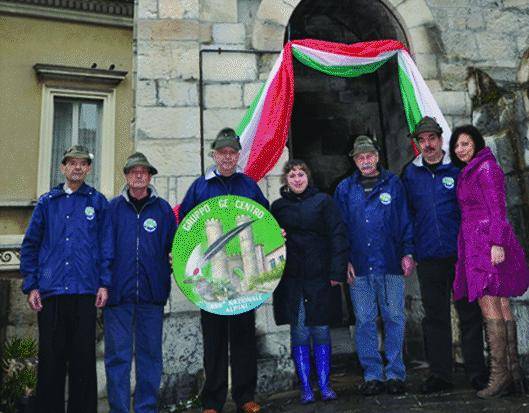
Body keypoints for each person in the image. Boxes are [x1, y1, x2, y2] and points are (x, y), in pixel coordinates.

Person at [179, 128, 268, 413]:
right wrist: (181, 258)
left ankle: (246, 397)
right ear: (214, 155)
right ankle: (213, 400)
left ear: (238, 155)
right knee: (214, 340)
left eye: (232, 153)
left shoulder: (249, 185)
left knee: (244, 338)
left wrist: (275, 233)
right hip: (210, 277)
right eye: (222, 153)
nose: (227, 158)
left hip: (244, 278)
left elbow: (265, 222)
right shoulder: (200, 187)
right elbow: (186, 228)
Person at [20, 145, 112, 413]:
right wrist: (32, 285)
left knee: (83, 362)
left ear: (89, 169)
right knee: (51, 361)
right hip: (52, 293)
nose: (77, 167)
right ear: (63, 167)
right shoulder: (48, 202)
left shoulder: (97, 202)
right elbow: (31, 245)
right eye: (72, 163)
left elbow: (107, 246)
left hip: (84, 292)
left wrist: (104, 282)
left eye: (82, 163)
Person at [401, 117, 488, 393]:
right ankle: (440, 374)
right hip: (428, 257)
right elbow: (407, 216)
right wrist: (410, 250)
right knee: (435, 317)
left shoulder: (458, 169)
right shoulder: (410, 175)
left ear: (441, 140)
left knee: (470, 314)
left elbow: (474, 209)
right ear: (418, 143)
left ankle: (477, 372)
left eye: (432, 139)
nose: (427, 144)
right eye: (422, 140)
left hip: (461, 255)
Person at [449, 125, 529, 398]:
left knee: (489, 302)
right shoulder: (475, 168)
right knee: (501, 302)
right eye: (457, 145)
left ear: (476, 143)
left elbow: (498, 207)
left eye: (465, 143)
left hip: (486, 243)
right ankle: (513, 373)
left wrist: (496, 243)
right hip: (480, 241)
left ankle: (499, 376)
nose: (460, 149)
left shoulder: (484, 168)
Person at [334, 136, 415, 396]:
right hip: (359, 266)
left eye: (369, 156)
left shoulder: (393, 184)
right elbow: (339, 229)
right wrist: (343, 259)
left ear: (377, 157)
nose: (365, 161)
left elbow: (405, 220)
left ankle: (394, 373)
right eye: (360, 157)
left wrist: (408, 252)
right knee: (365, 320)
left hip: (390, 262)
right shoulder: (345, 189)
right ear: (354, 160)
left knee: (394, 318)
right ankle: (372, 375)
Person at [271, 159, 348, 404]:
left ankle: (324, 385)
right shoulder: (278, 207)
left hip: (320, 275)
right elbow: (268, 240)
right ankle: (306, 387)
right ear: (286, 179)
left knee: (321, 328)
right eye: (291, 175)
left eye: (300, 174)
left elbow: (337, 235)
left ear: (308, 177)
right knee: (300, 330)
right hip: (292, 279)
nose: (296, 179)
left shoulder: (324, 202)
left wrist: (337, 271)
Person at [104, 152, 177, 412]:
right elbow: (103, 250)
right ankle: (120, 409)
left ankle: (146, 408)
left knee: (150, 358)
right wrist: (103, 284)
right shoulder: (111, 208)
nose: (138, 175)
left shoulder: (163, 210)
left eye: (143, 171)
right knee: (117, 359)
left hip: (151, 297)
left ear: (149, 176)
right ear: (126, 176)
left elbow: (175, 248)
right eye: (133, 171)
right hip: (117, 297)